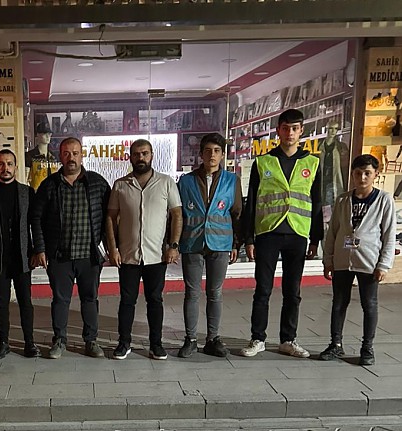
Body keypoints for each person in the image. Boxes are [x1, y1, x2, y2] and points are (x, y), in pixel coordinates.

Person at [240, 108, 323, 359]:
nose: (290, 133)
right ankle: (258, 338)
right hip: (268, 232)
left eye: (295, 129)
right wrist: (248, 238)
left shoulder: (312, 163)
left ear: (302, 131)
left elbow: (317, 203)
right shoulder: (263, 162)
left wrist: (316, 239)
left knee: (292, 291)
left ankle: (288, 339)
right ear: (278, 131)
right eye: (285, 128)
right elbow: (251, 202)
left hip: (297, 232)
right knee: (263, 289)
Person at [30, 137, 111, 359]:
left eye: (75, 153)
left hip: (89, 255)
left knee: (90, 299)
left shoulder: (97, 183)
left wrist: (108, 246)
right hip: (59, 255)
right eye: (66, 153)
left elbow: (110, 216)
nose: (71, 158)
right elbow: (36, 218)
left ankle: (91, 340)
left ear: (81, 155)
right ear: (60, 156)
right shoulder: (49, 185)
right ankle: (59, 340)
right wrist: (40, 248)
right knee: (60, 300)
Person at [105, 139, 182, 361]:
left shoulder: (166, 183)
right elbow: (110, 217)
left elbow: (177, 214)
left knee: (155, 300)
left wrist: (173, 246)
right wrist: (113, 248)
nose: (141, 157)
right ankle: (124, 343)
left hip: (156, 256)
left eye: (145, 153)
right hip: (128, 255)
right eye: (136, 154)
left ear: (152, 155)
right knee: (127, 301)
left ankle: (156, 344)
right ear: (130, 157)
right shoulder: (120, 185)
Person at [320, 155, 396, 366]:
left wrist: (384, 264)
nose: (362, 177)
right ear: (352, 174)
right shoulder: (343, 200)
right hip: (343, 260)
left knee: (369, 304)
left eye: (367, 173)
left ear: (375, 175)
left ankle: (367, 347)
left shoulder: (384, 200)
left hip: (369, 262)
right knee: (339, 302)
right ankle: (335, 344)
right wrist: (328, 260)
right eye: (358, 173)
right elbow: (332, 232)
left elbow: (389, 235)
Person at [177, 133, 242, 358]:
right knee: (192, 292)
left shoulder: (232, 181)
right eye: (207, 150)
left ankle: (213, 338)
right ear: (201, 154)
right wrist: (173, 243)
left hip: (220, 243)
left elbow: (237, 213)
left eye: (216, 151)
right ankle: (191, 339)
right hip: (192, 242)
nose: (211, 155)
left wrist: (235, 244)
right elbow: (178, 214)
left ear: (222, 154)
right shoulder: (185, 181)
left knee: (215, 292)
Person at [0, 149, 40, 359]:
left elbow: (35, 224)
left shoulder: (27, 192)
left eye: (9, 164)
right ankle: (3, 343)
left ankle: (29, 343)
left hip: (23, 256)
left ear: (16, 167)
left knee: (25, 302)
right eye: (1, 164)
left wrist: (37, 250)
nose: (5, 168)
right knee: (1, 303)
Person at [319, 121, 348, 213]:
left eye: (336, 129)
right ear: (326, 129)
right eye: (331, 128)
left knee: (334, 204)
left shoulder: (341, 147)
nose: (333, 131)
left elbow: (345, 166)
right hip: (321, 179)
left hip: (335, 179)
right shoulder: (318, 146)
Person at [26, 122, 60, 190]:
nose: (48, 136)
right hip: (37, 193)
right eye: (44, 134)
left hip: (53, 192)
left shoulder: (54, 156)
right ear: (38, 135)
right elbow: (25, 179)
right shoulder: (30, 156)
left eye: (49, 134)